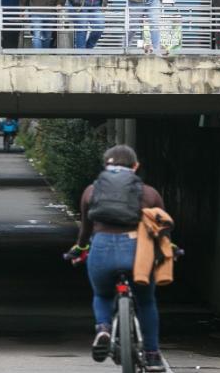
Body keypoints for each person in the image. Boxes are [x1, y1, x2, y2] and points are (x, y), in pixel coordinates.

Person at [68, 145, 166, 371]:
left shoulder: (91, 192)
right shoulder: (149, 193)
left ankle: (103, 329)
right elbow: (163, 227)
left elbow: (85, 230)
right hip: (137, 250)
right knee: (145, 301)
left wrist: (79, 248)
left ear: (106, 166)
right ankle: (152, 355)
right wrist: (169, 249)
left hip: (101, 248)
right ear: (136, 166)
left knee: (102, 294)